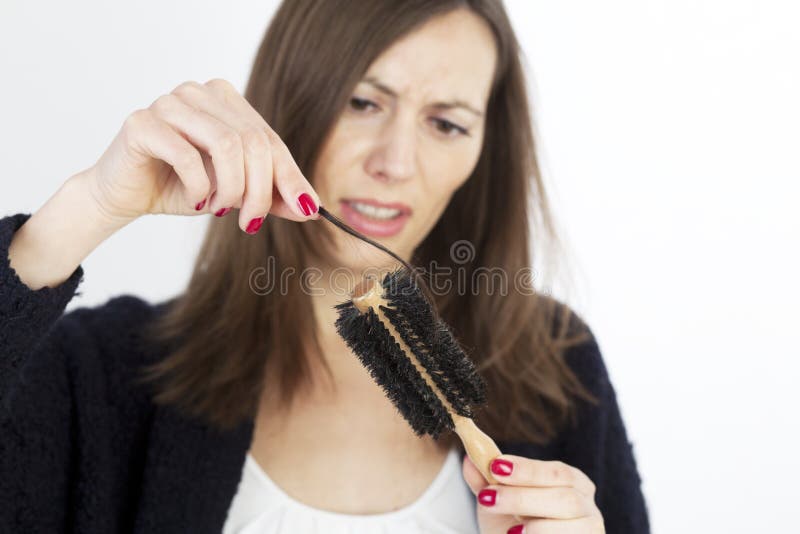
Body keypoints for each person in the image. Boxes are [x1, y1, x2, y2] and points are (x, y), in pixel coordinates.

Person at [0, 1, 649, 533]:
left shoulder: (558, 368)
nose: (395, 162)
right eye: (364, 103)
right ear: (286, 105)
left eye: (446, 124)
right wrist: (85, 208)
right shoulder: (104, 371)